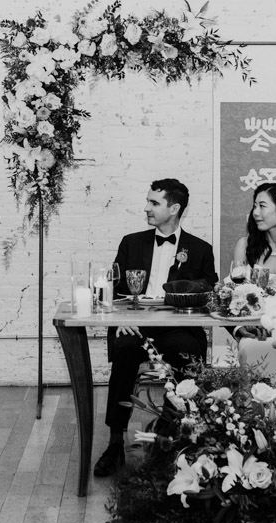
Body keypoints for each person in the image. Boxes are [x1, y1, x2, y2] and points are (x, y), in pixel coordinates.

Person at [93, 178, 218, 477]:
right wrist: (122, 321)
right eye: (148, 201)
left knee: (188, 352)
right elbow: (112, 288)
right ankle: (114, 443)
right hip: (137, 326)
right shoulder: (130, 242)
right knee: (124, 353)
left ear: (174, 209)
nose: (146, 208)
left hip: (177, 326)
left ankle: (170, 433)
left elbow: (209, 293)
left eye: (154, 203)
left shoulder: (200, 249)